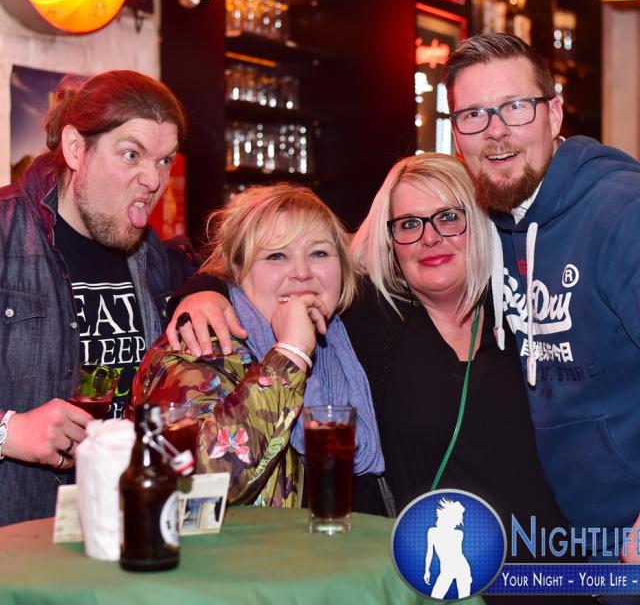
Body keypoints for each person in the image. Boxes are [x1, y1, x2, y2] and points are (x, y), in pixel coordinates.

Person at [165, 156, 577, 570]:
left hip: (556, 564)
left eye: (450, 217)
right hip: (434, 575)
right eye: (410, 224)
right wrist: (204, 291)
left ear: (481, 222)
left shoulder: (527, 306)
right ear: (390, 239)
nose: (430, 237)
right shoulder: (370, 319)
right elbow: (270, 273)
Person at [442, 33, 640, 558]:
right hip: (573, 538)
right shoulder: (490, 221)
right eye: (473, 115)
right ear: (456, 134)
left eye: (515, 107)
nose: (495, 131)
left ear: (553, 115)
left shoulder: (621, 212)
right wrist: (227, 293)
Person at [0, 70, 196, 527]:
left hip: (121, 528)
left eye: (164, 160)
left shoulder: (149, 253)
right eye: (131, 154)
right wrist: (10, 431)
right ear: (75, 148)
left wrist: (207, 292)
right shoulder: (5, 233)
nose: (153, 179)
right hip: (18, 540)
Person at [132, 183, 384, 507]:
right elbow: (194, 488)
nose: (302, 273)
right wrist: (291, 353)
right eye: (277, 256)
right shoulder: (199, 347)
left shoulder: (349, 345)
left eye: (319, 253)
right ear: (237, 270)